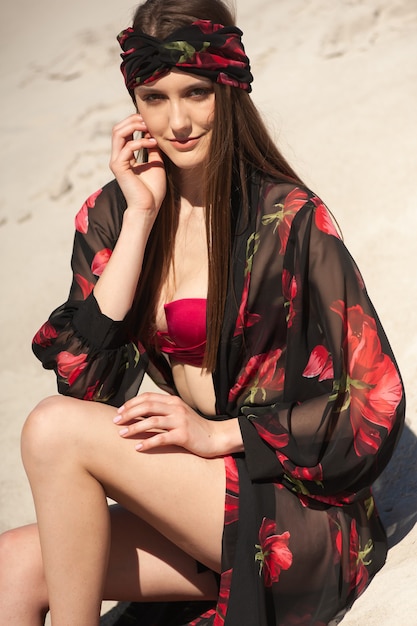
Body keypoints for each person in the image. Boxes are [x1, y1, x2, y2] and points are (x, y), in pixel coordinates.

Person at [0, 0, 406, 624]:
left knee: (52, 428)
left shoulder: (288, 218)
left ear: (229, 89)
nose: (178, 121)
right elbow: (85, 383)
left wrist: (220, 434)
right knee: (12, 566)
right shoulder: (113, 215)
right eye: (154, 98)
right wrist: (140, 219)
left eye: (195, 93)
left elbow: (374, 396)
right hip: (195, 498)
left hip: (291, 509)